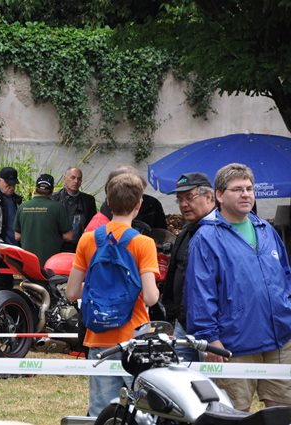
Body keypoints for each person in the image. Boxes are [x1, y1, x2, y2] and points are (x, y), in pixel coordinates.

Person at [186, 163, 291, 411]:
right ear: (219, 195)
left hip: (280, 340)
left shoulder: (266, 230)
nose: (246, 194)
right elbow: (200, 294)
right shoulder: (206, 237)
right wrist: (210, 339)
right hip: (234, 345)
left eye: (249, 188)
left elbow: (285, 276)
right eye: (237, 189)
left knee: (283, 412)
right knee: (234, 413)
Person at [66, 172, 160, 416]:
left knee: (103, 412)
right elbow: (151, 298)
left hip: (99, 337)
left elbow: (72, 292)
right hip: (134, 338)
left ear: (107, 201)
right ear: (139, 204)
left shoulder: (88, 240)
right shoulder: (144, 243)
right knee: (141, 412)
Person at [160, 172, 216, 361]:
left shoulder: (222, 232)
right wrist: (171, 319)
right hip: (183, 326)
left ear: (209, 197)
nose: (184, 204)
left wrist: (213, 334)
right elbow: (172, 278)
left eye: (189, 197)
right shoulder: (186, 232)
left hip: (212, 330)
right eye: (180, 199)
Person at [15, 174, 73, 268]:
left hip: (28, 264)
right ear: (52, 190)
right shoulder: (58, 207)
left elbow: (17, 236)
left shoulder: (22, 207)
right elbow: (69, 236)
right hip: (51, 264)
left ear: (36, 188)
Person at [51, 167, 97, 253]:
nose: (76, 181)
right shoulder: (54, 199)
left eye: (79, 179)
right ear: (65, 178)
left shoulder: (88, 201)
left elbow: (92, 226)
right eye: (73, 177)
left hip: (79, 247)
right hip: (57, 247)